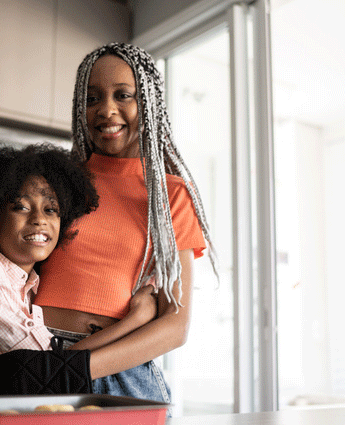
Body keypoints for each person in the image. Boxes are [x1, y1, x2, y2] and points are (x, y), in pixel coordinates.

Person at [0, 143, 157, 425]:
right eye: (21, 207)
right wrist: (136, 320)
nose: (39, 219)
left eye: (51, 209)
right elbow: (46, 366)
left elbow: (50, 367)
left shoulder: (30, 285)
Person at [34, 43, 216, 406]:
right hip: (37, 354)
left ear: (147, 103)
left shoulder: (170, 196)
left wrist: (74, 368)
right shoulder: (57, 182)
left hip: (115, 370)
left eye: (123, 95)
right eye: (92, 98)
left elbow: (174, 326)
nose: (106, 110)